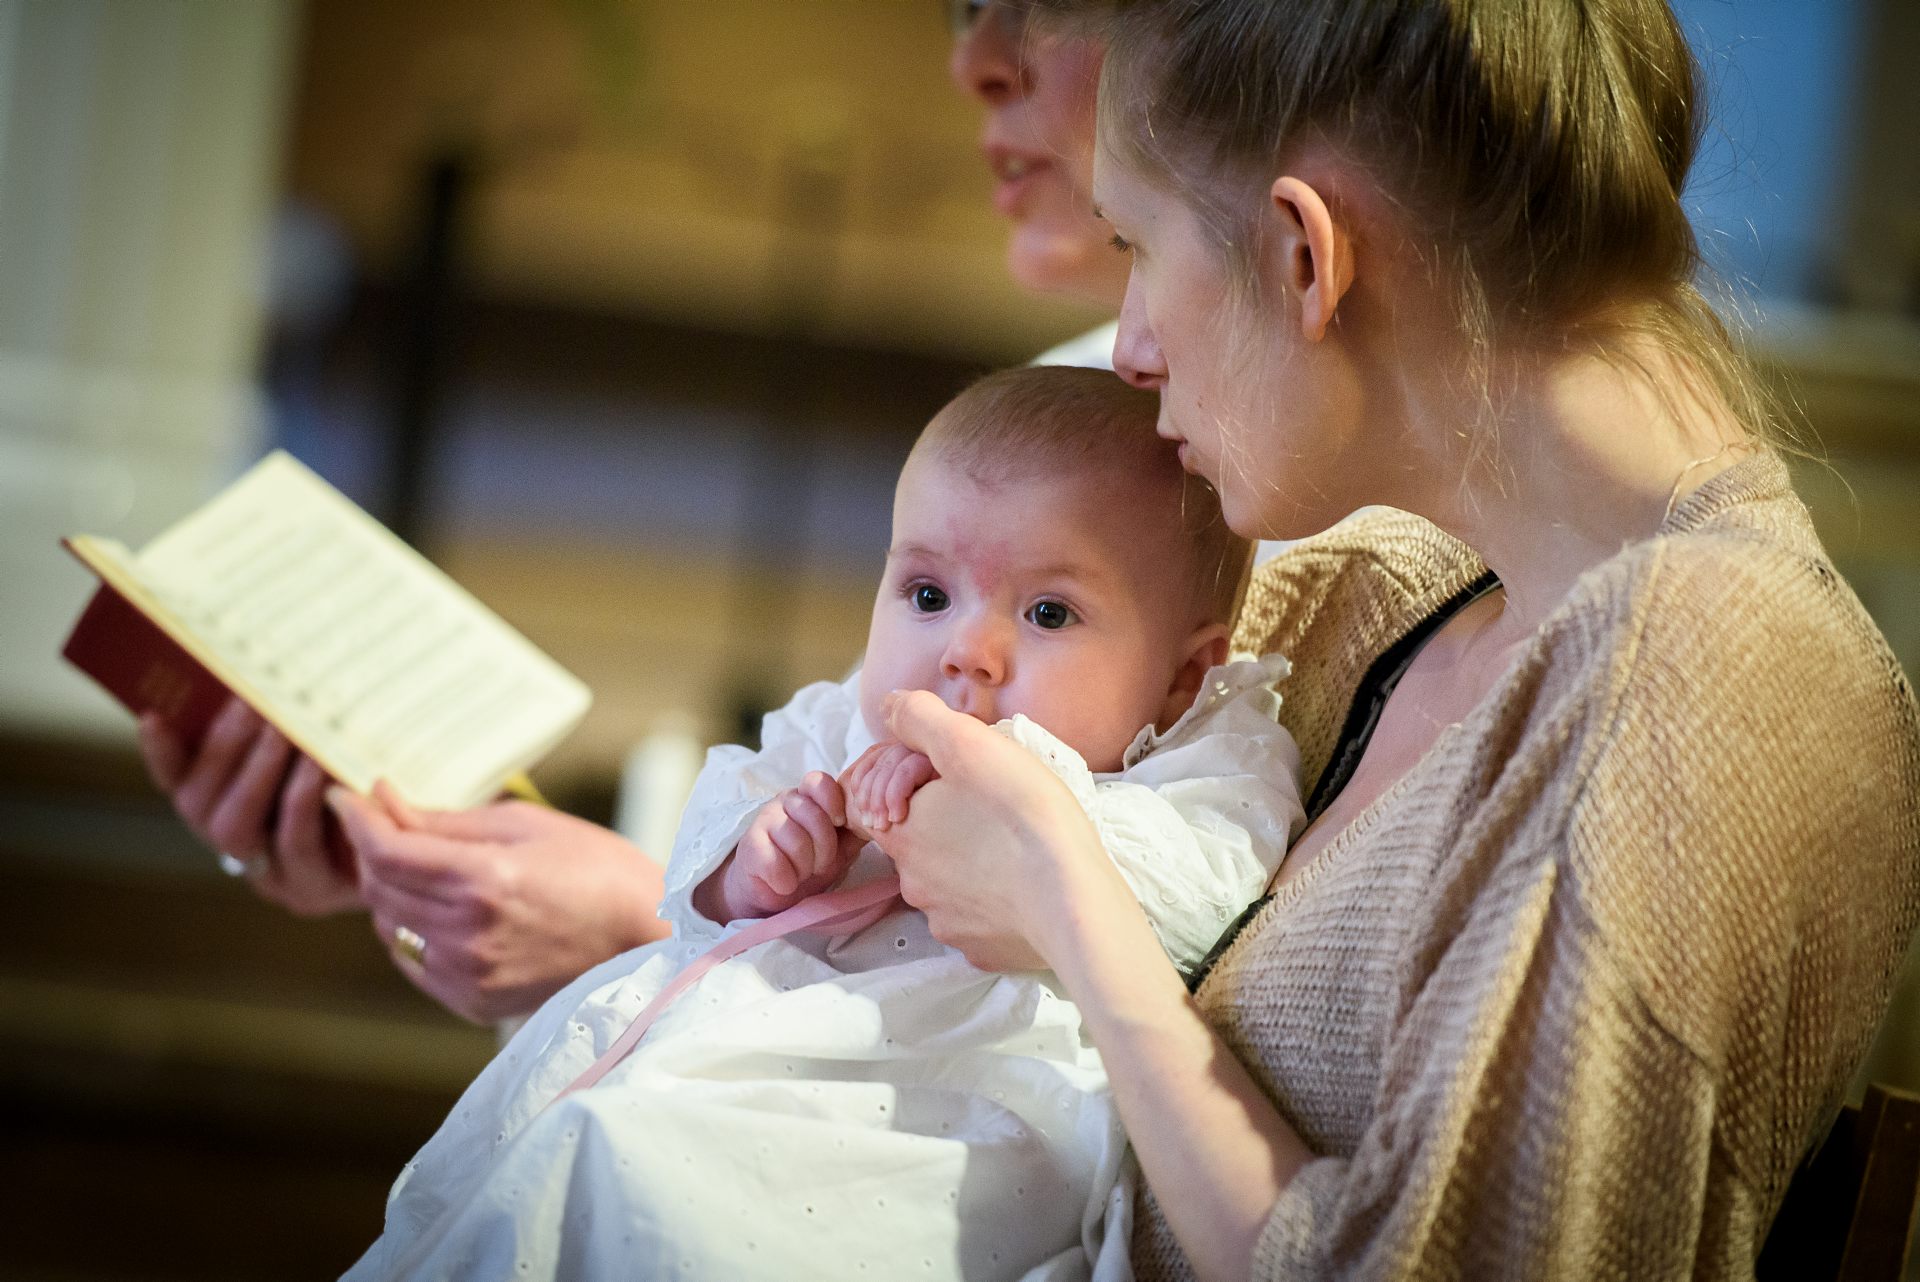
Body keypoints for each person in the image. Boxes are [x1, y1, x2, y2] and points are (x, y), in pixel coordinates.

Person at [853, 0, 1920, 1277]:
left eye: (1138, 245)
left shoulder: (1712, 666)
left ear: (1307, 254)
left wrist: (1070, 909)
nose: (1130, 347)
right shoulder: (1383, 591)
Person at [133, 0, 1127, 1024]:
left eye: (1041, 6)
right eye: (964, 9)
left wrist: (630, 929)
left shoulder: (1212, 489)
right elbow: (830, 806)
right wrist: (418, 853)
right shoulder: (1045, 399)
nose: (973, 63)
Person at [341, 365, 1305, 1280]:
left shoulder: (1210, 756)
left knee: (629, 1173)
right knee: (566, 1156)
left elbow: (1203, 913)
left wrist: (1015, 788)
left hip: (945, 1124)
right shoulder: (841, 723)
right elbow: (714, 826)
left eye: (1050, 613)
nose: (968, 650)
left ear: (1183, 675)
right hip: (728, 1066)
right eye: (927, 596)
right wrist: (757, 859)